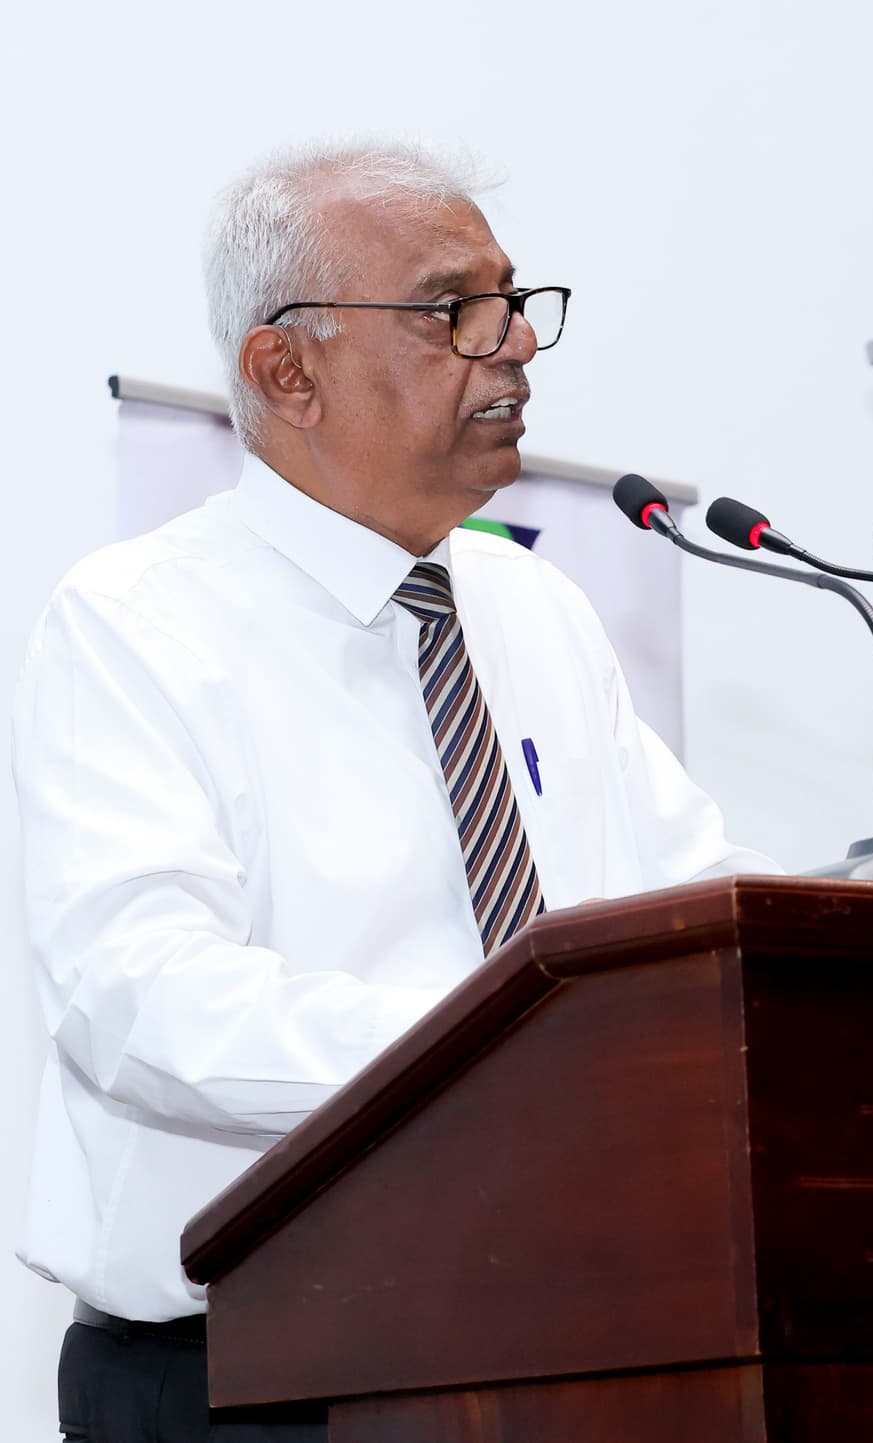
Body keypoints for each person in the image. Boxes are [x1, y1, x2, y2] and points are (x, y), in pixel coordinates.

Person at [12, 141, 780, 1442]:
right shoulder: (137, 621)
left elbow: (686, 910)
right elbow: (142, 999)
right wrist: (505, 1053)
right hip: (251, 1379)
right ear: (285, 371)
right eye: (454, 310)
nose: (520, 344)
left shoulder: (535, 607)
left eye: (518, 300)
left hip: (561, 1345)